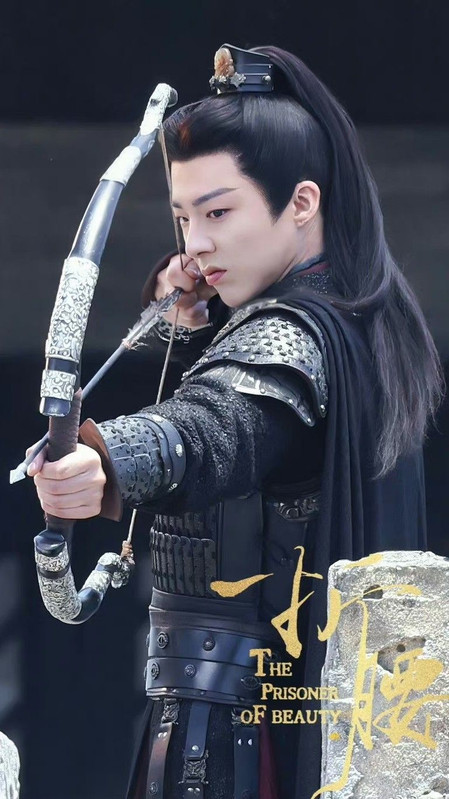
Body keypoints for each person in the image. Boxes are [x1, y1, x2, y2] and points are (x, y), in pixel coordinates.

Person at [28, 44, 443, 799]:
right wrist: (196, 323)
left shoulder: (291, 331)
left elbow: (219, 427)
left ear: (302, 203)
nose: (195, 243)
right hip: (253, 709)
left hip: (245, 736)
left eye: (219, 212)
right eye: (183, 217)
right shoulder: (354, 311)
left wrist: (107, 458)